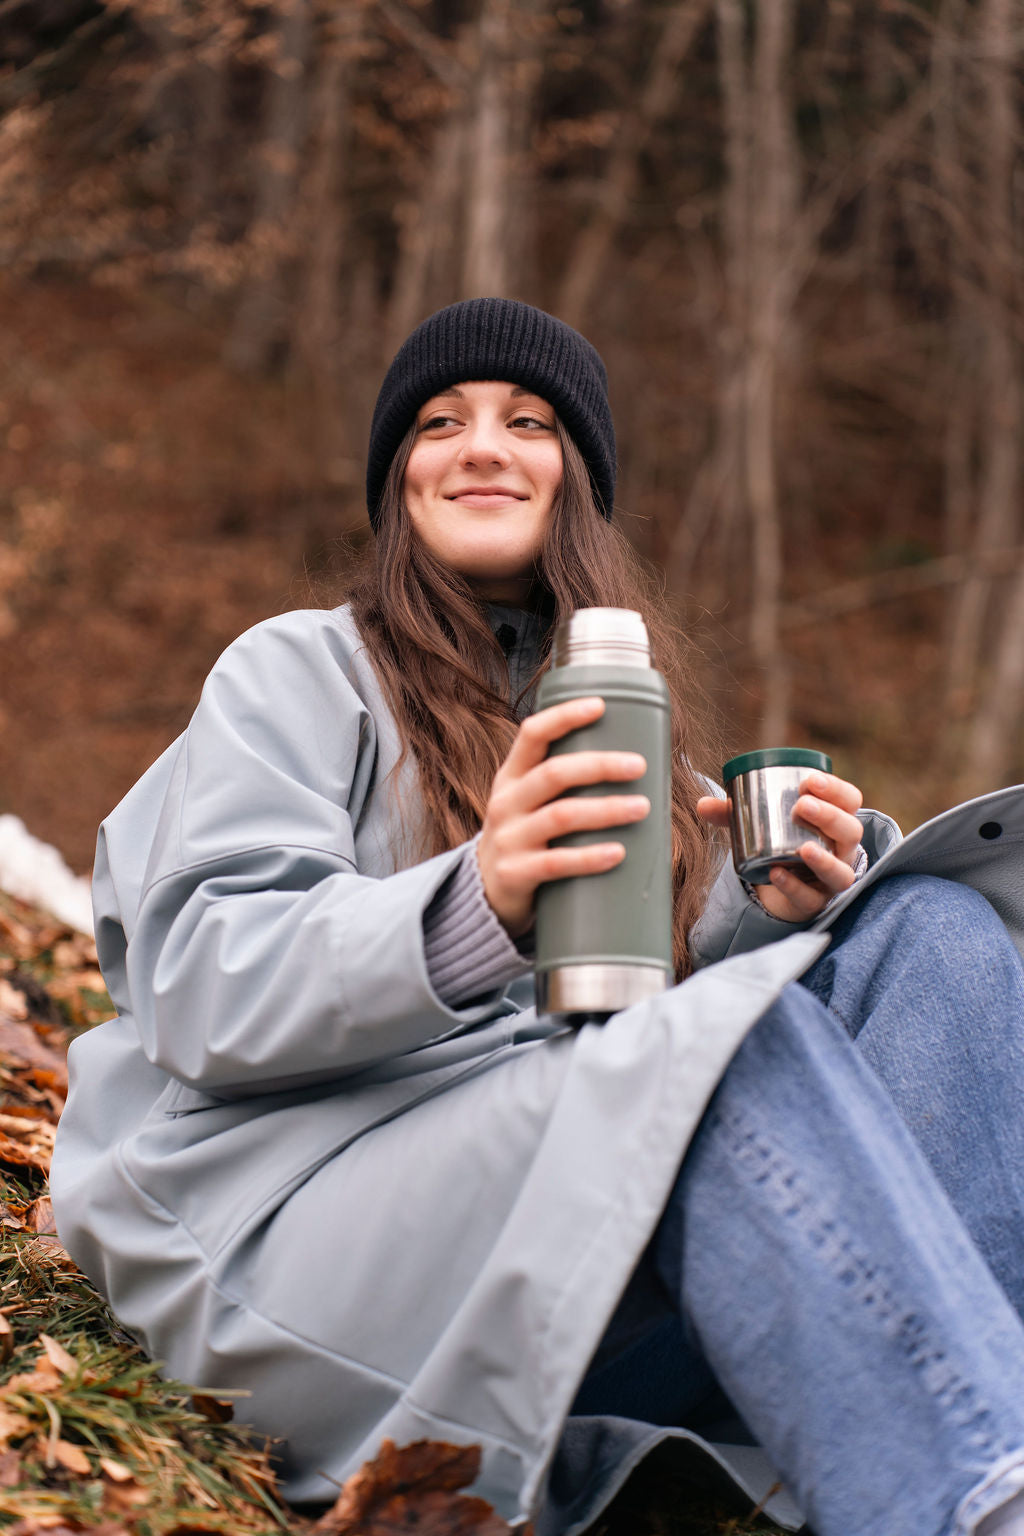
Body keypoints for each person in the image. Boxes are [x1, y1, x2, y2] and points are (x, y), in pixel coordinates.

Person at [51, 298, 1024, 1536]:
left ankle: (984, 1432)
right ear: (397, 476)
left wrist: (781, 908)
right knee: (697, 1054)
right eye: (439, 422)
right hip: (303, 1245)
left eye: (528, 422)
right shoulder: (296, 672)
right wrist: (479, 900)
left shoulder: (615, 723)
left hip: (560, 1267)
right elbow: (204, 980)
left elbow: (626, 1027)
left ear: (578, 480)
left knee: (930, 928)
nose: (481, 448)